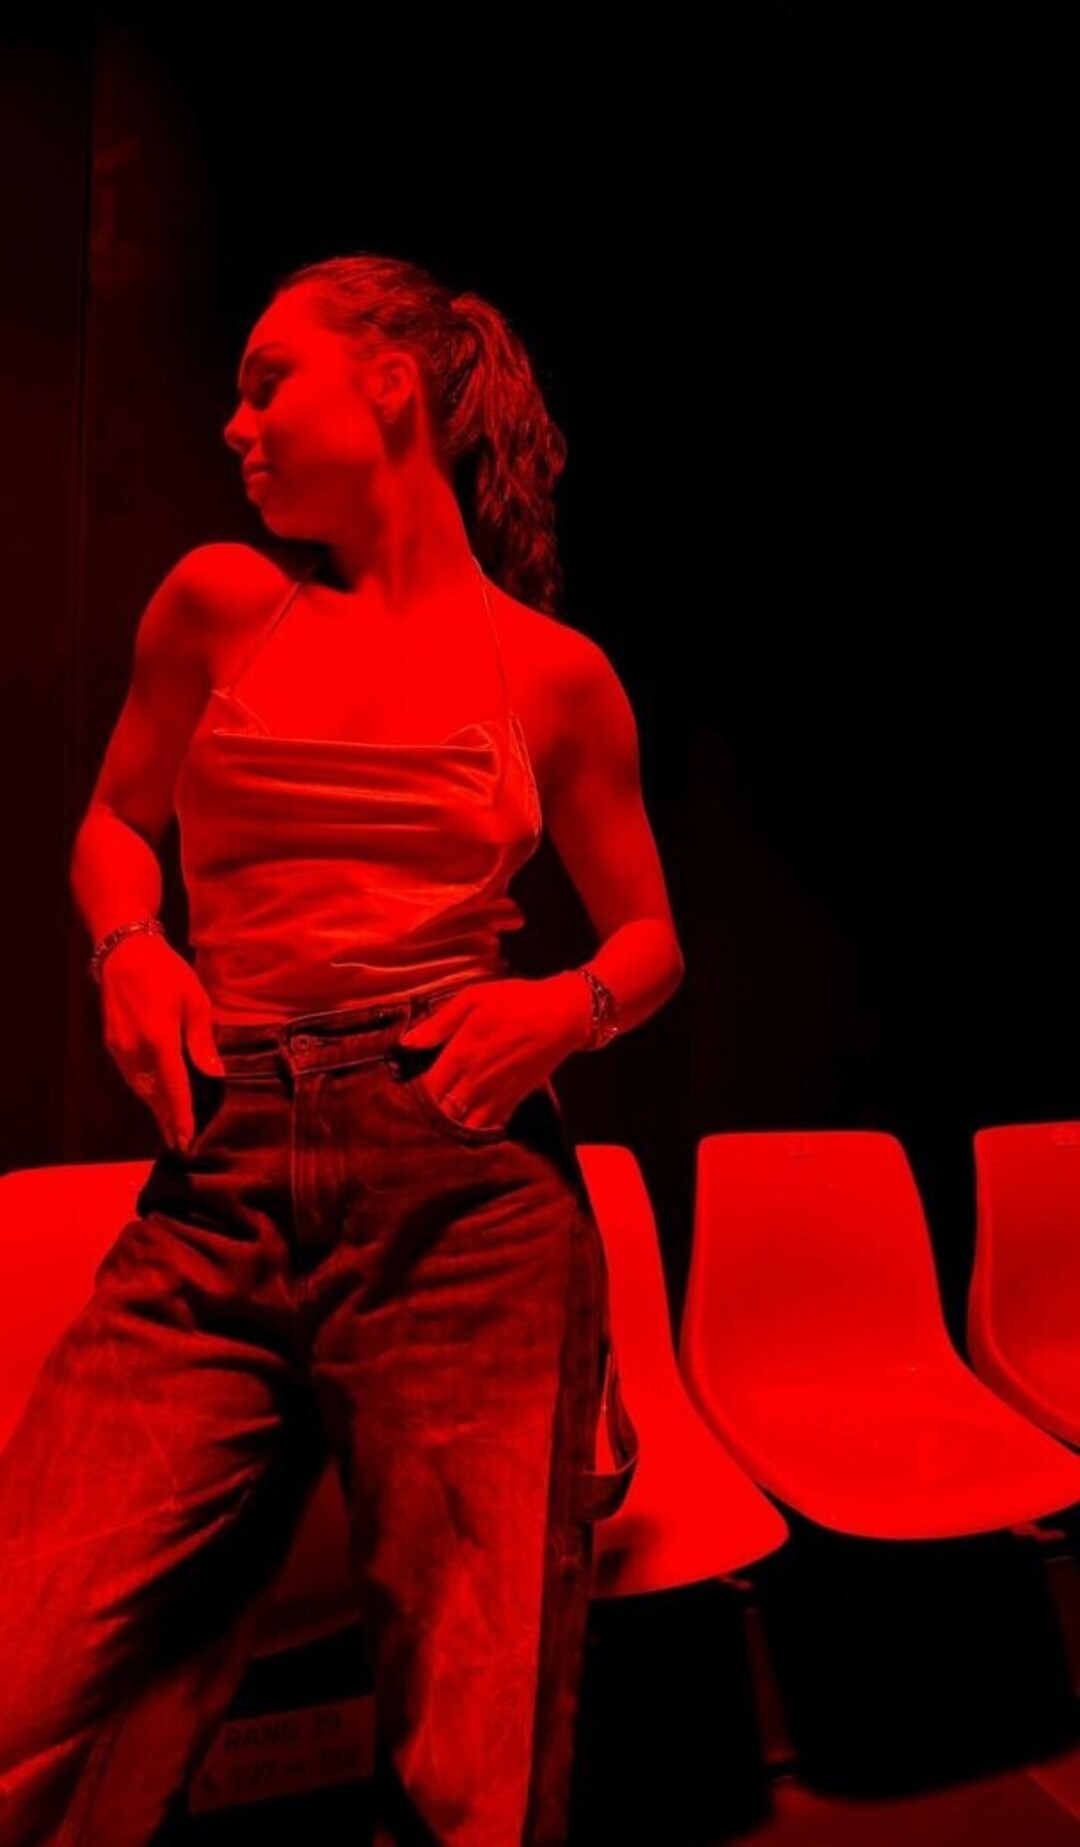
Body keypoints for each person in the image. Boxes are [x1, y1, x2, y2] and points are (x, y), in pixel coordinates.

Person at [0, 250, 685, 1846]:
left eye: (267, 383)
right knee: (31, 1657)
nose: (232, 427)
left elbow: (652, 939)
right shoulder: (219, 603)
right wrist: (127, 945)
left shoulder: (554, 674)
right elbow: (112, 823)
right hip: (225, 1173)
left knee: (473, 1769)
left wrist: (561, 1006)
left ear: (390, 384)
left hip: (464, 1187)